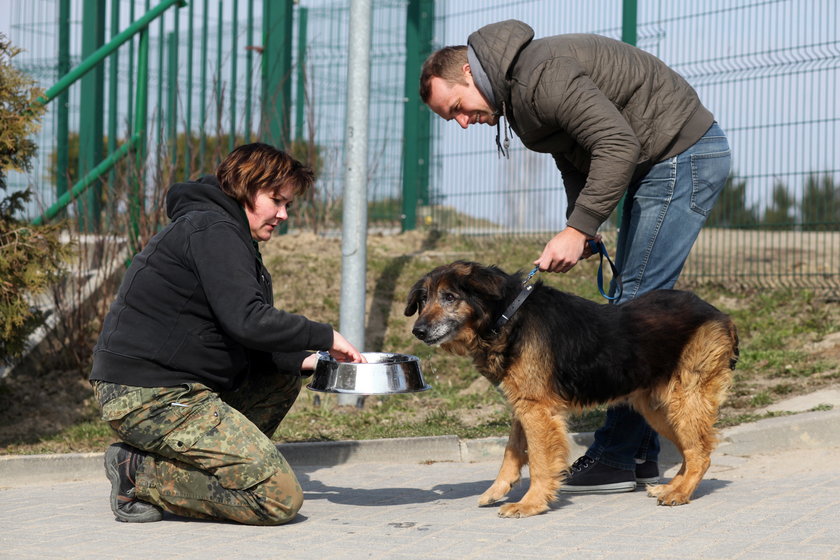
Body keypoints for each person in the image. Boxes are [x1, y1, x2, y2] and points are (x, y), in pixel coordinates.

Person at [420, 20, 731, 493]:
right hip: (653, 160)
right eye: (453, 119)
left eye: (459, 108)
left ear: (469, 71)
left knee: (637, 304)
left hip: (680, 153)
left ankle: (618, 456)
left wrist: (579, 226)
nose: (463, 123)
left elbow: (616, 144)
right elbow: (576, 158)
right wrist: (580, 225)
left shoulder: (541, 77)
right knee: (633, 302)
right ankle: (641, 455)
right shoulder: (517, 100)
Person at [89, 143, 364, 524]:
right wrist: (325, 335)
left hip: (178, 387)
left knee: (285, 373)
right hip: (148, 394)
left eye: (288, 204)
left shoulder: (223, 230)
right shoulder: (213, 229)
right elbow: (248, 319)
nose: (283, 214)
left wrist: (308, 359)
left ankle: (199, 466)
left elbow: (239, 332)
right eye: (276, 200)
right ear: (246, 187)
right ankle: (139, 472)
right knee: (277, 497)